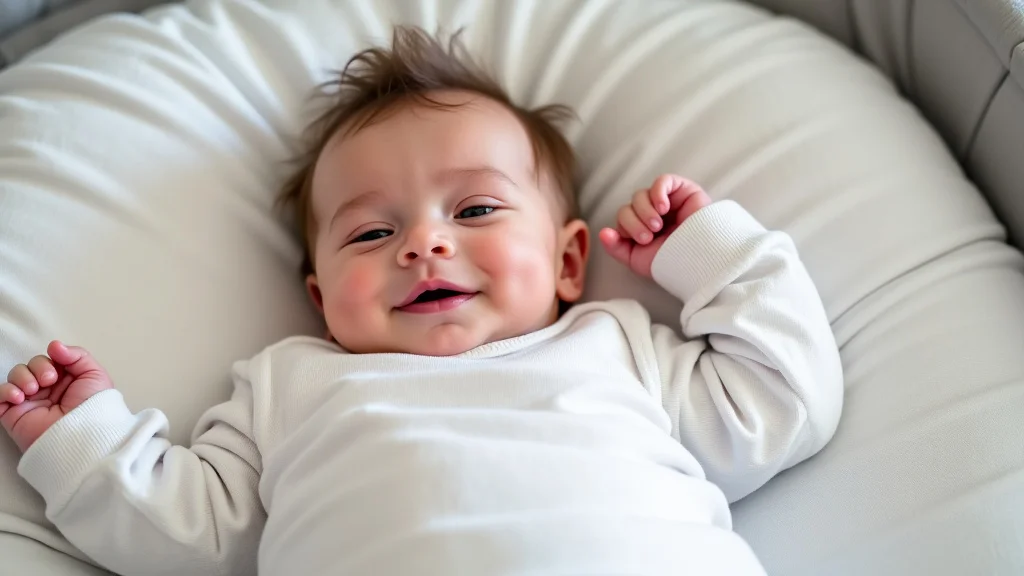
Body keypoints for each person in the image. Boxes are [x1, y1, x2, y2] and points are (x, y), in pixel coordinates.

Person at [0, 26, 843, 576]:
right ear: (319, 295)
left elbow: (786, 401)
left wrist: (708, 253)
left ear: (569, 259)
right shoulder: (288, 387)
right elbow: (193, 535)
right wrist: (85, 439)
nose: (424, 244)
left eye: (475, 210)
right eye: (370, 234)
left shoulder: (616, 347)